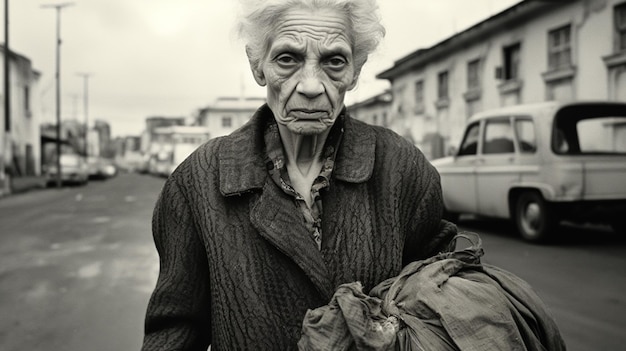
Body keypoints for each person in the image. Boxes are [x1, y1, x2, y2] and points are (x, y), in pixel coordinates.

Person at [141, 0, 455, 349]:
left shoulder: (402, 169)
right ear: (257, 66)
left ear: (356, 70)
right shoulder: (198, 181)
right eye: (287, 59)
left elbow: (440, 303)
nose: (310, 85)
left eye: (334, 61)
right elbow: (175, 331)